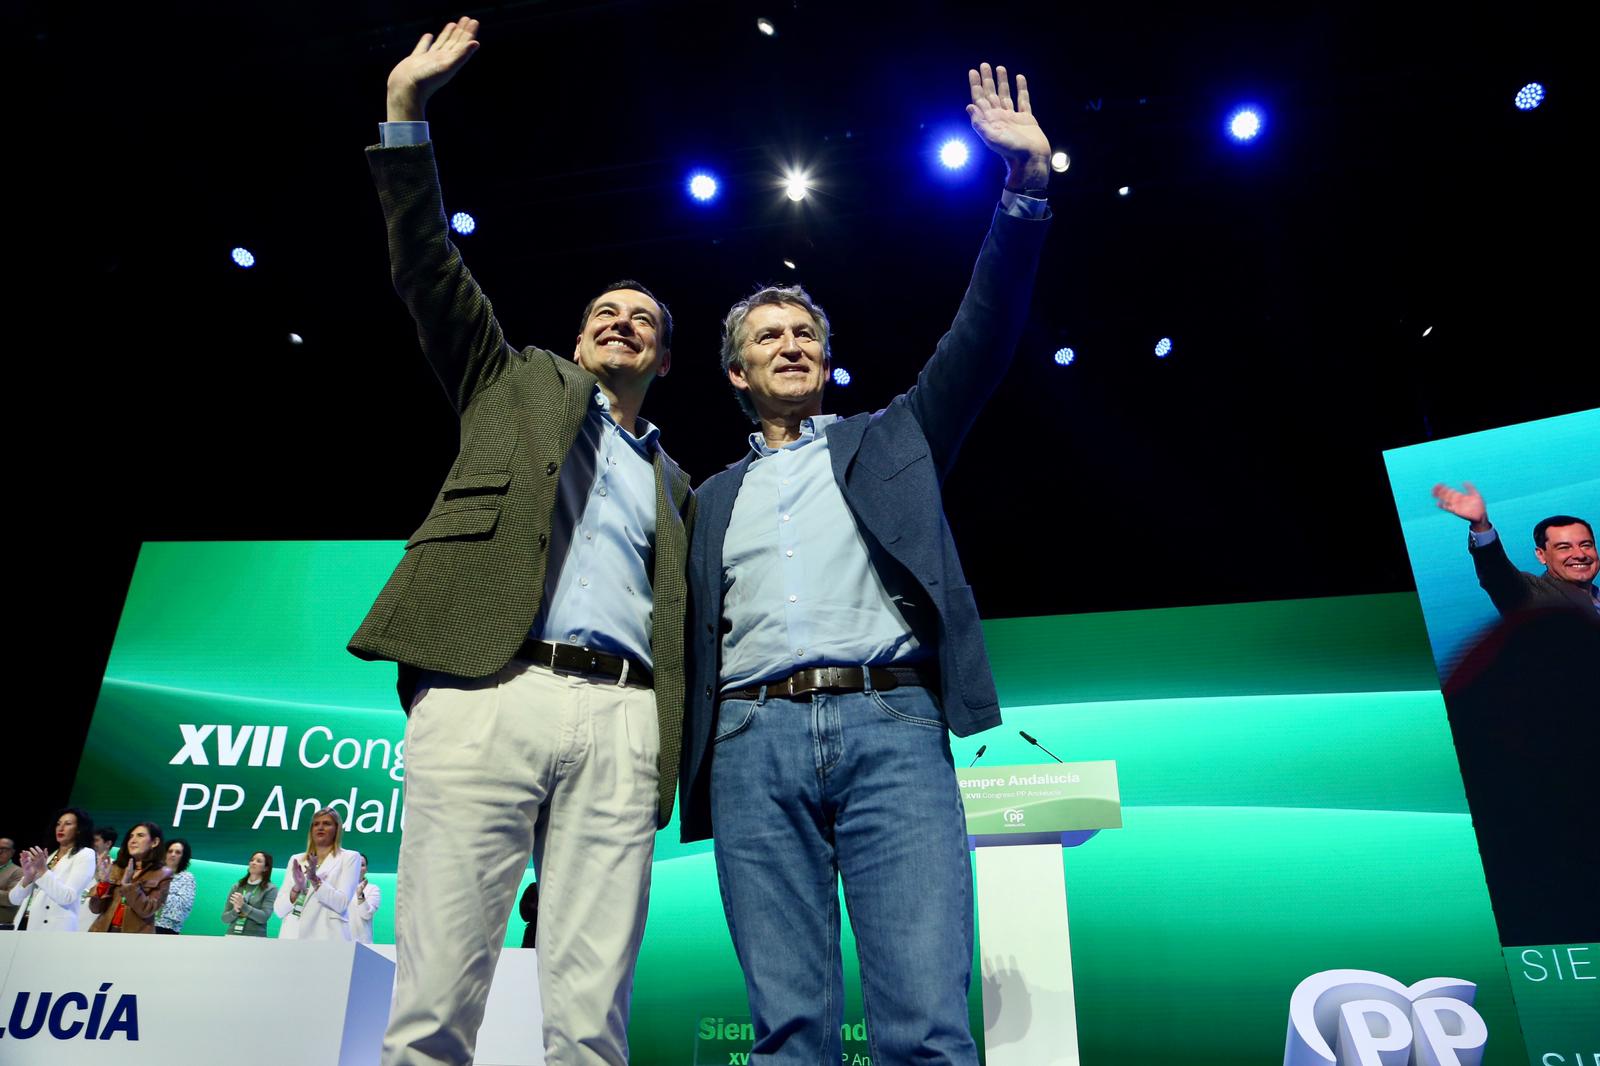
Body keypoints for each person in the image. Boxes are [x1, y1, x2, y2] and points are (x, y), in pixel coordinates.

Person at [679, 63, 1054, 1065]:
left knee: (924, 1027)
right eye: (769, 336)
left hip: (890, 727)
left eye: (805, 331)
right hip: (751, 745)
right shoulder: (703, 499)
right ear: (737, 371)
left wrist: (1023, 189)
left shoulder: (893, 439)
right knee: (790, 1032)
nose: (792, 343)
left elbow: (982, 334)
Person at [349, 18, 694, 1066]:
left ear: (665, 359)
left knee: (592, 1020)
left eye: (642, 318)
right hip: (487, 690)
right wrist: (407, 111)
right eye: (606, 310)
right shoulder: (508, 382)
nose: (622, 321)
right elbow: (427, 266)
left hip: (627, 716)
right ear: (580, 334)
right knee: (434, 1002)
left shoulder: (681, 483)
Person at [1432, 482, 1597, 616]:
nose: (1580, 554)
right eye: (1564, 547)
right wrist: (1481, 525)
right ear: (1541, 555)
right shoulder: (1533, 597)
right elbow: (1497, 575)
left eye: (1586, 545)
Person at [273, 809, 361, 941]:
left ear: (337, 829)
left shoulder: (349, 857)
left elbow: (341, 903)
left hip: (326, 936)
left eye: (326, 823)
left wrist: (314, 879)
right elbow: (279, 910)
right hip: (292, 936)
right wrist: (297, 888)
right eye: (316, 824)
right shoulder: (297, 859)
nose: (320, 827)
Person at [9, 808, 97, 932]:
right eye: (58, 824)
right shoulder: (49, 856)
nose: (61, 828)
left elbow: (68, 897)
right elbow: (14, 899)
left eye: (68, 824)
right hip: (25, 923)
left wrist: (43, 871)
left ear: (79, 829)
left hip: (54, 928)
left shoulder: (85, 854)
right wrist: (28, 877)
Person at [88, 823, 172, 934]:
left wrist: (128, 886)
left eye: (140, 835)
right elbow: (95, 908)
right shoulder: (116, 867)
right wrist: (103, 883)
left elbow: (146, 910)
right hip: (102, 931)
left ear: (155, 842)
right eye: (131, 836)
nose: (132, 840)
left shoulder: (163, 874)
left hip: (134, 938)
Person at [222, 851, 279, 937]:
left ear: (266, 868)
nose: (253, 863)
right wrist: (235, 911)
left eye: (258, 861)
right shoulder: (237, 886)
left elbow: (263, 918)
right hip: (232, 935)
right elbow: (225, 918)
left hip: (255, 938)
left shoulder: (271, 889)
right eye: (252, 860)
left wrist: (243, 906)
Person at [77, 825, 118, 929]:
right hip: (74, 915)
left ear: (108, 843)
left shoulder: (114, 868)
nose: (91, 843)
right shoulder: (81, 862)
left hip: (93, 919)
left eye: (96, 840)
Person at [153, 838, 195, 934]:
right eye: (170, 851)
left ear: (183, 857)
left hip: (167, 928)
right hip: (145, 924)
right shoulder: (153, 873)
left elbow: (183, 908)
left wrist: (157, 895)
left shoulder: (187, 878)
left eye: (178, 852)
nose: (173, 854)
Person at [349, 854, 381, 945]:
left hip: (363, 944)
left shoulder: (373, 889)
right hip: (340, 943)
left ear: (366, 869)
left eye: (362, 865)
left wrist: (360, 894)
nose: (358, 867)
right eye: (355, 863)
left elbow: (366, 915)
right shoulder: (339, 888)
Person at [0, 838, 22, 926]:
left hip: (3, 924)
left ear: (12, 852)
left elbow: (11, 898)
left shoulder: (18, 871)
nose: (0, 851)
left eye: (4, 849)